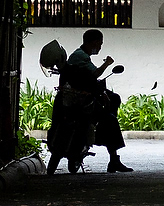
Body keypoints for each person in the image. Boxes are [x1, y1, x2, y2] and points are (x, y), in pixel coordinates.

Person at [46, 29, 132, 173]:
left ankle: (103, 149)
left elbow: (87, 79)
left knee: (113, 101)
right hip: (79, 102)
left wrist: (101, 91)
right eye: (100, 43)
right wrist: (107, 64)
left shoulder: (78, 57)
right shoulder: (80, 56)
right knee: (110, 120)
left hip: (75, 100)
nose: (100, 47)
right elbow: (94, 74)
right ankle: (113, 159)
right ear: (94, 42)